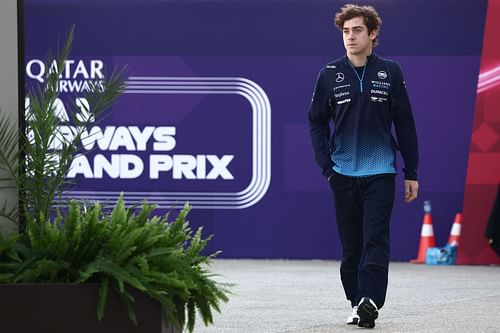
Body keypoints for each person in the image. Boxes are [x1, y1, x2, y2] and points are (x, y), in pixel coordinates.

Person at [308, 4, 419, 329]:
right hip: (342, 174)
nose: (350, 37)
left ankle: (370, 300)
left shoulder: (392, 72)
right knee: (351, 248)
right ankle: (357, 301)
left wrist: (410, 171)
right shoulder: (329, 74)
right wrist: (326, 166)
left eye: (357, 30)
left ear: (372, 34)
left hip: (381, 172)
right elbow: (315, 122)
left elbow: (406, 124)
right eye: (346, 31)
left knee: (376, 238)